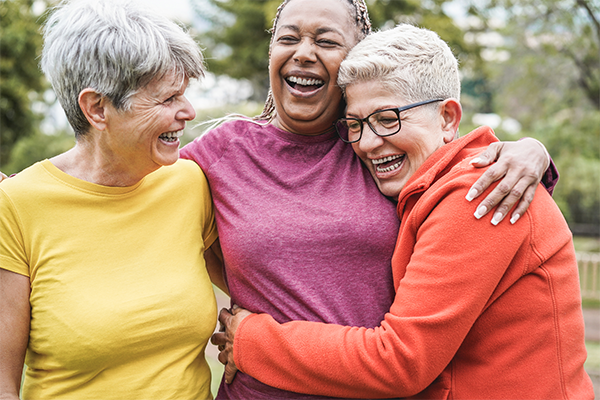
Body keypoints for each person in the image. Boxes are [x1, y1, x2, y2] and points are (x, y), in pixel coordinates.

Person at [179, 0, 557, 398]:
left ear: (352, 58)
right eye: (287, 38)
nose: (304, 52)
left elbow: (460, 161)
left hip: (386, 383)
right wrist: (247, 283)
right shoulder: (222, 153)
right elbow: (146, 198)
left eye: (326, 41)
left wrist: (531, 150)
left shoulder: (378, 147)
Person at [0, 1, 224, 399]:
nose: (188, 111)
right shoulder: (16, 207)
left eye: (184, 94)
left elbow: (255, 292)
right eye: (167, 99)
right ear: (97, 108)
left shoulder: (189, 183)